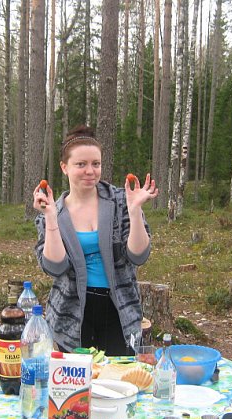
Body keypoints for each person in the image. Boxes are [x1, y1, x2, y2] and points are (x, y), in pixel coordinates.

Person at [32, 125, 158, 356]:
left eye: (96, 164)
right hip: (72, 313)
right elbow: (55, 267)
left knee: (120, 375)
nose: (90, 171)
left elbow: (138, 256)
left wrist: (135, 211)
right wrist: (50, 217)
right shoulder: (52, 211)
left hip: (120, 308)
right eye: (81, 164)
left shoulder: (122, 201)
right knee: (79, 377)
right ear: (64, 167)